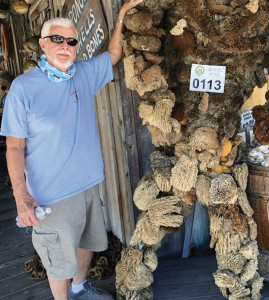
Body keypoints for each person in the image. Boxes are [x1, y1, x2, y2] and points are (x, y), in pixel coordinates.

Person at [0, 0, 143, 299]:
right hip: (51, 195)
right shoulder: (23, 88)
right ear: (43, 43)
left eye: (71, 41)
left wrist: (120, 17)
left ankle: (80, 289)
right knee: (56, 261)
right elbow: (13, 146)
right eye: (57, 39)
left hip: (89, 185)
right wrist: (21, 196)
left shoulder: (82, 73)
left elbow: (114, 54)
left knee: (87, 243)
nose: (65, 46)